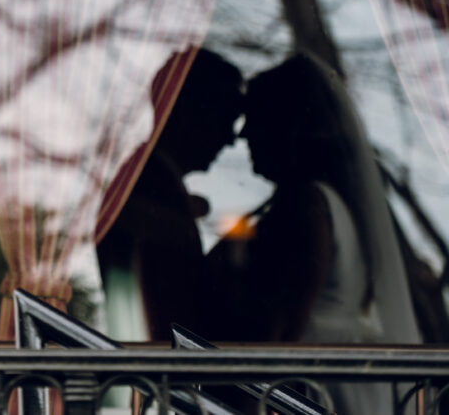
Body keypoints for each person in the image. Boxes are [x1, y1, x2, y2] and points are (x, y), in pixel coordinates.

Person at [205, 53, 420, 414]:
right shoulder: (335, 203)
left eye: (256, 116)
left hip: (309, 394)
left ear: (284, 124)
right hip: (341, 387)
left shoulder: (304, 204)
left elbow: (283, 326)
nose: (243, 133)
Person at [97, 48, 243, 340]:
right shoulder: (146, 187)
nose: (230, 139)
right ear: (192, 111)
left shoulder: (150, 182)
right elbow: (168, 301)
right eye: (226, 116)